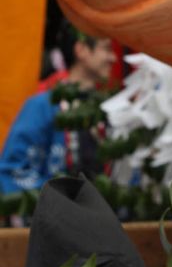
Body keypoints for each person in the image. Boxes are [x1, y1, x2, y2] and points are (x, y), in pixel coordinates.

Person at [0, 24, 116, 194]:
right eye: (106, 49)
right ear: (82, 49)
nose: (113, 58)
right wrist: (62, 201)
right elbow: (12, 172)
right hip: (56, 217)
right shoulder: (41, 107)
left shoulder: (111, 108)